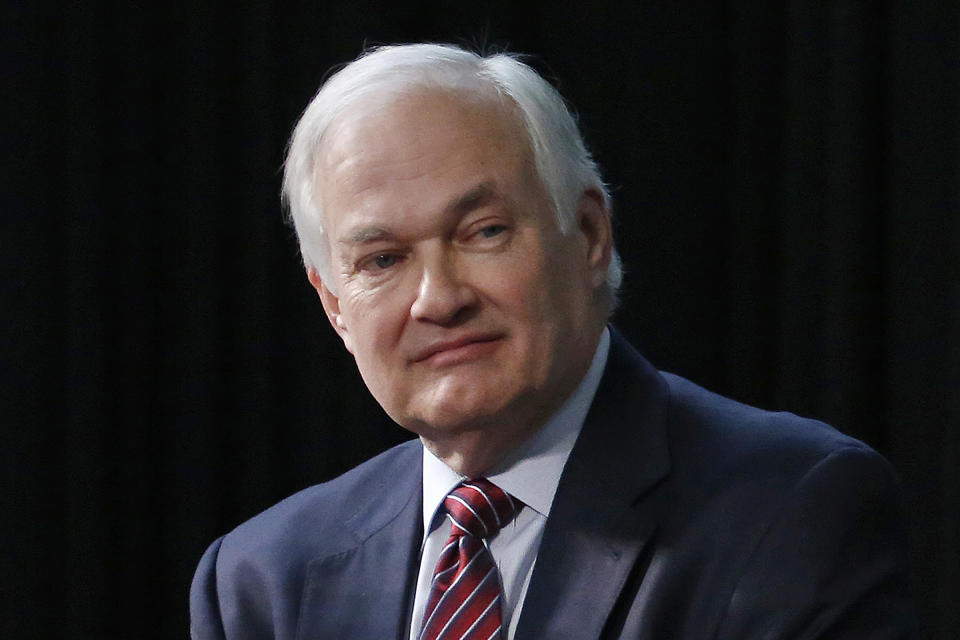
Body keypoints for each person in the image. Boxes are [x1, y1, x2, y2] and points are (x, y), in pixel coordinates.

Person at [190, 44, 917, 639]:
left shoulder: (790, 514)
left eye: (484, 233)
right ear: (334, 306)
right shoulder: (261, 583)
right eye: (382, 260)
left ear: (590, 236)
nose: (438, 299)